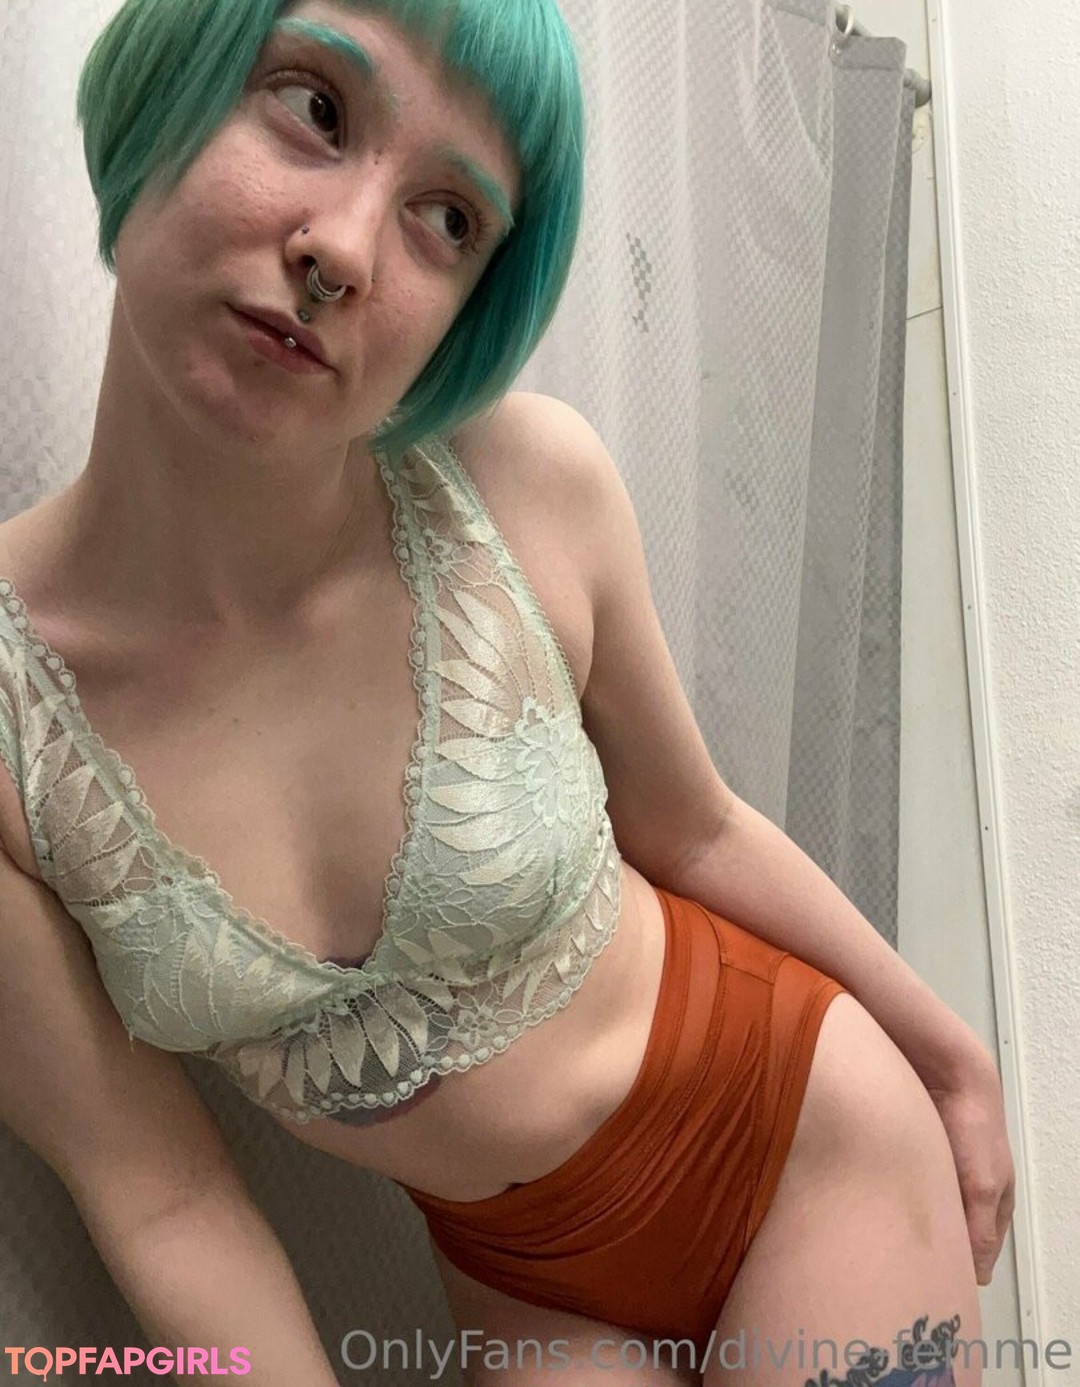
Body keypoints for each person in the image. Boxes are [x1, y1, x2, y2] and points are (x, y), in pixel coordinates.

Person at [0, 1, 1016, 1384]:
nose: (343, 250)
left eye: (448, 219)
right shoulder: (16, 730)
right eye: (312, 107)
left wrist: (947, 1052)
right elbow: (162, 1199)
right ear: (166, 79)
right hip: (524, 1284)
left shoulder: (521, 485)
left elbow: (698, 828)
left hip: (804, 1142)